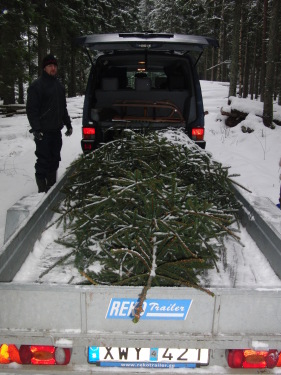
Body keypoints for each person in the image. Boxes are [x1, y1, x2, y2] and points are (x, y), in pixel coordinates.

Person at [26, 54, 73, 193]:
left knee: (55, 158)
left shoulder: (59, 86)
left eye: (54, 66)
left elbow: (63, 108)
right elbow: (31, 110)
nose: (53, 68)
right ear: (44, 68)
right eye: (50, 66)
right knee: (43, 160)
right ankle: (42, 190)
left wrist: (68, 124)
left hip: (56, 131)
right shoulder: (37, 86)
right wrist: (36, 129)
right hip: (43, 132)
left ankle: (51, 187)